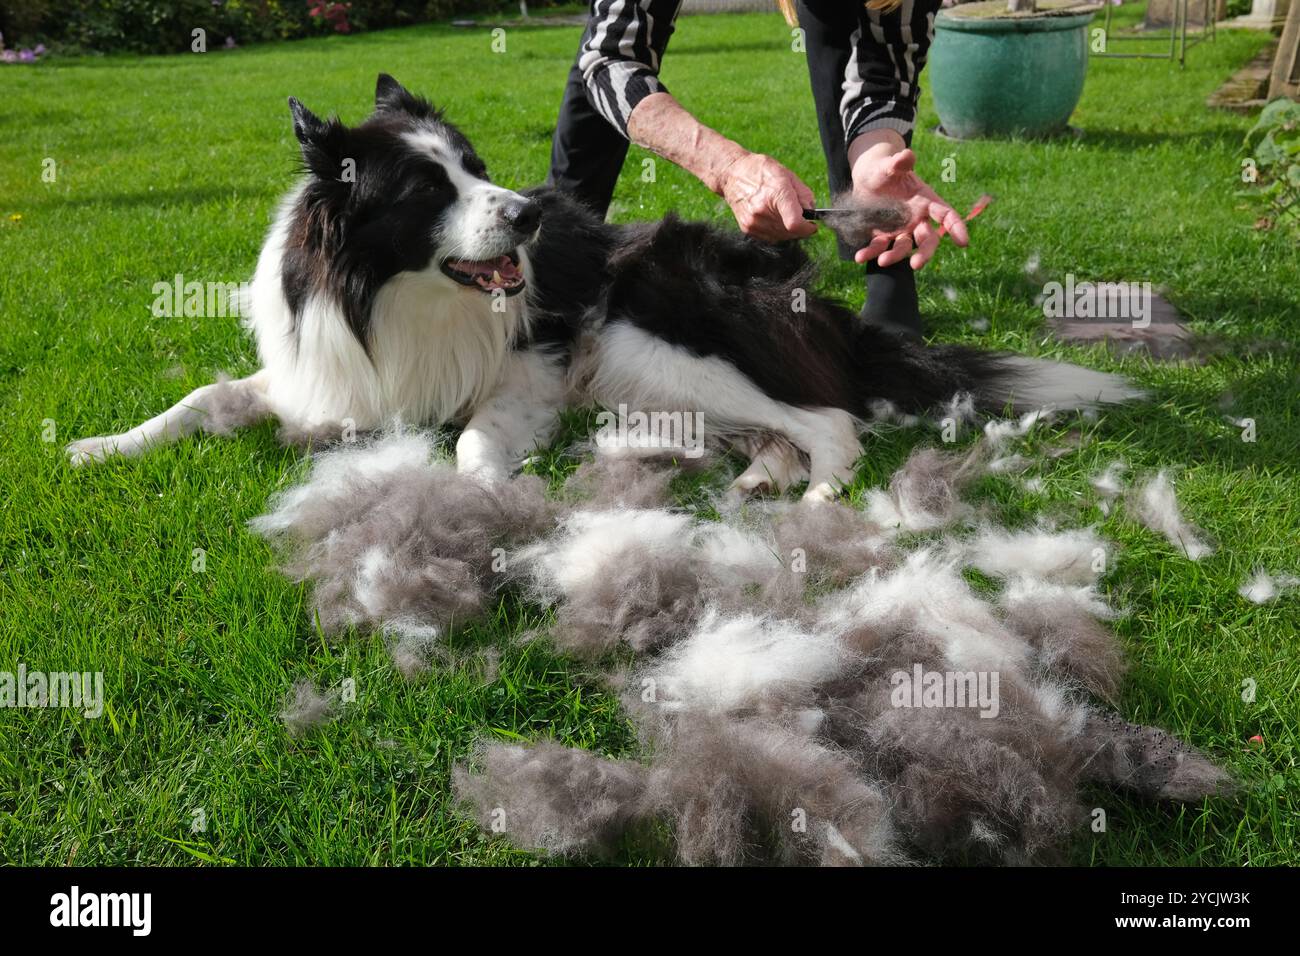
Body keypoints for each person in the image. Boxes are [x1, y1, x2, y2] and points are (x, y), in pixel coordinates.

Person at [545, 0, 969, 340]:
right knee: (602, 65)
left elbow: (886, 70)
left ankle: (880, 252)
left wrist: (877, 157)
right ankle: (557, 250)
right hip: (610, 54)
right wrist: (726, 166)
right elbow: (611, 55)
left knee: (836, 16)